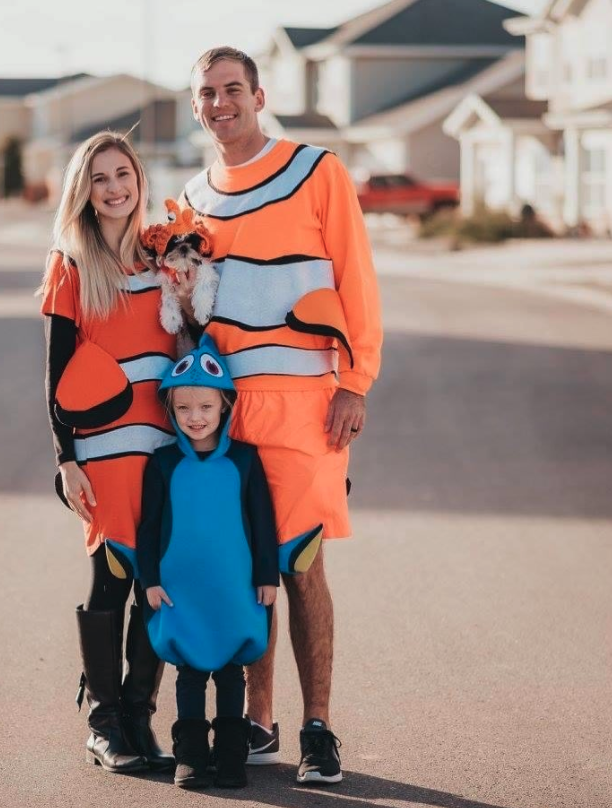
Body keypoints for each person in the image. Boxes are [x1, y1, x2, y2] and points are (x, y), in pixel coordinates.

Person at [181, 47, 383, 785]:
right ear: (195, 104)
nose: (220, 102)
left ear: (258, 96)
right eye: (206, 92)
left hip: (305, 405)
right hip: (226, 414)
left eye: (232, 89)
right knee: (242, 571)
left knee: (300, 566)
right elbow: (193, 312)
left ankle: (318, 727)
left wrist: (354, 381)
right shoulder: (191, 196)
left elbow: (355, 275)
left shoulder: (315, 169)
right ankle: (257, 722)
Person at [38, 131, 177, 773]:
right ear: (83, 190)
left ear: (139, 180)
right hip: (103, 453)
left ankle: (140, 714)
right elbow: (56, 375)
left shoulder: (166, 255)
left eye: (124, 174)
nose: (115, 187)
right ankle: (103, 720)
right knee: (113, 577)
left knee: (158, 583)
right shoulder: (71, 263)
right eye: (100, 178)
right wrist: (66, 458)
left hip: (167, 450)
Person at [136, 335, 279, 790]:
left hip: (235, 588)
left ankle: (232, 758)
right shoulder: (161, 464)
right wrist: (150, 580)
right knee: (191, 671)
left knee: (231, 670)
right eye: (183, 409)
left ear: (224, 407)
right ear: (171, 411)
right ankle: (192, 758)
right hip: (181, 590)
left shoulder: (245, 460)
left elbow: (262, 522)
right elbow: (150, 529)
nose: (195, 418)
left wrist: (266, 575)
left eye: (205, 407)